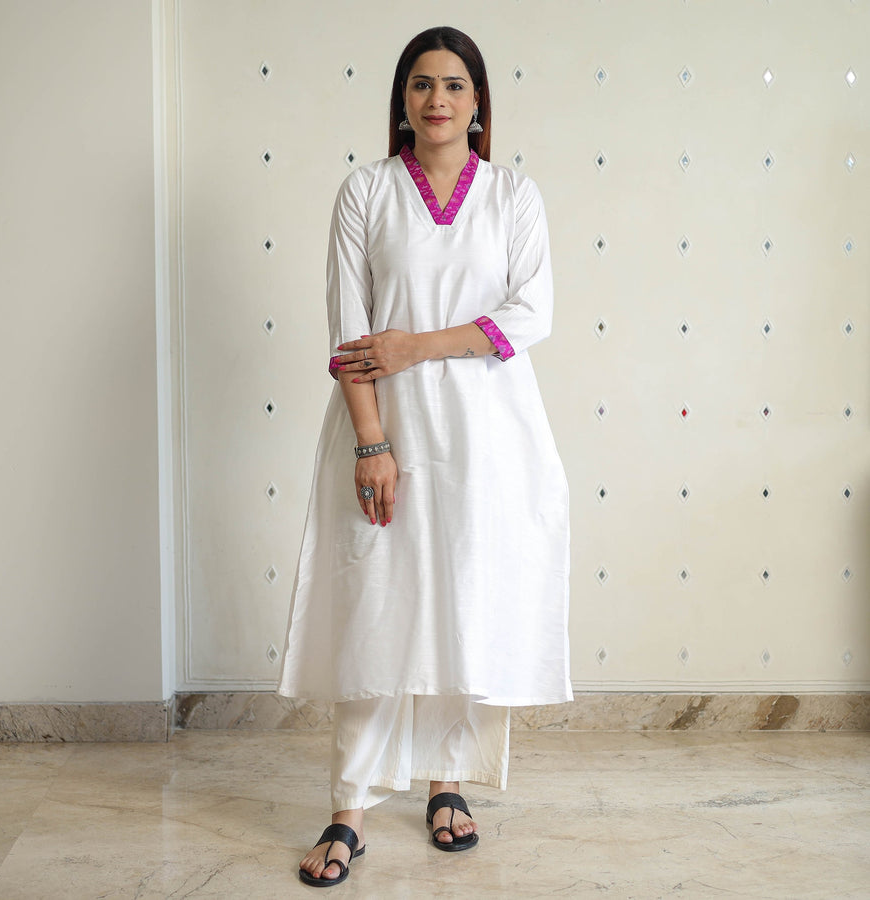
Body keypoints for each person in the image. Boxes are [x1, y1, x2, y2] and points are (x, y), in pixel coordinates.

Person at [278, 25, 572, 887]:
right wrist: (372, 443)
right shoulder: (366, 192)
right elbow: (349, 334)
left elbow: (531, 314)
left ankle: (448, 783)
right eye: (420, 84)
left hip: (489, 437)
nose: (436, 99)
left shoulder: (513, 196)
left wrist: (417, 345)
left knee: (463, 604)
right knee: (376, 606)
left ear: (478, 102)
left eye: (453, 85)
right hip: (388, 428)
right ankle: (349, 808)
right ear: (402, 100)